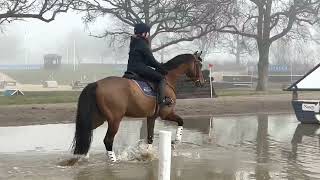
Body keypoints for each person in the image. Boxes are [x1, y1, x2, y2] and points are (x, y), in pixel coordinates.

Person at [126, 23, 171, 107]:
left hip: (130, 68)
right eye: (148, 33)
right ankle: (161, 101)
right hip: (139, 68)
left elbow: (147, 61)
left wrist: (157, 65)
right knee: (161, 78)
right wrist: (161, 68)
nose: (148, 35)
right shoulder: (142, 43)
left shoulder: (134, 42)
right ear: (144, 33)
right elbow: (151, 60)